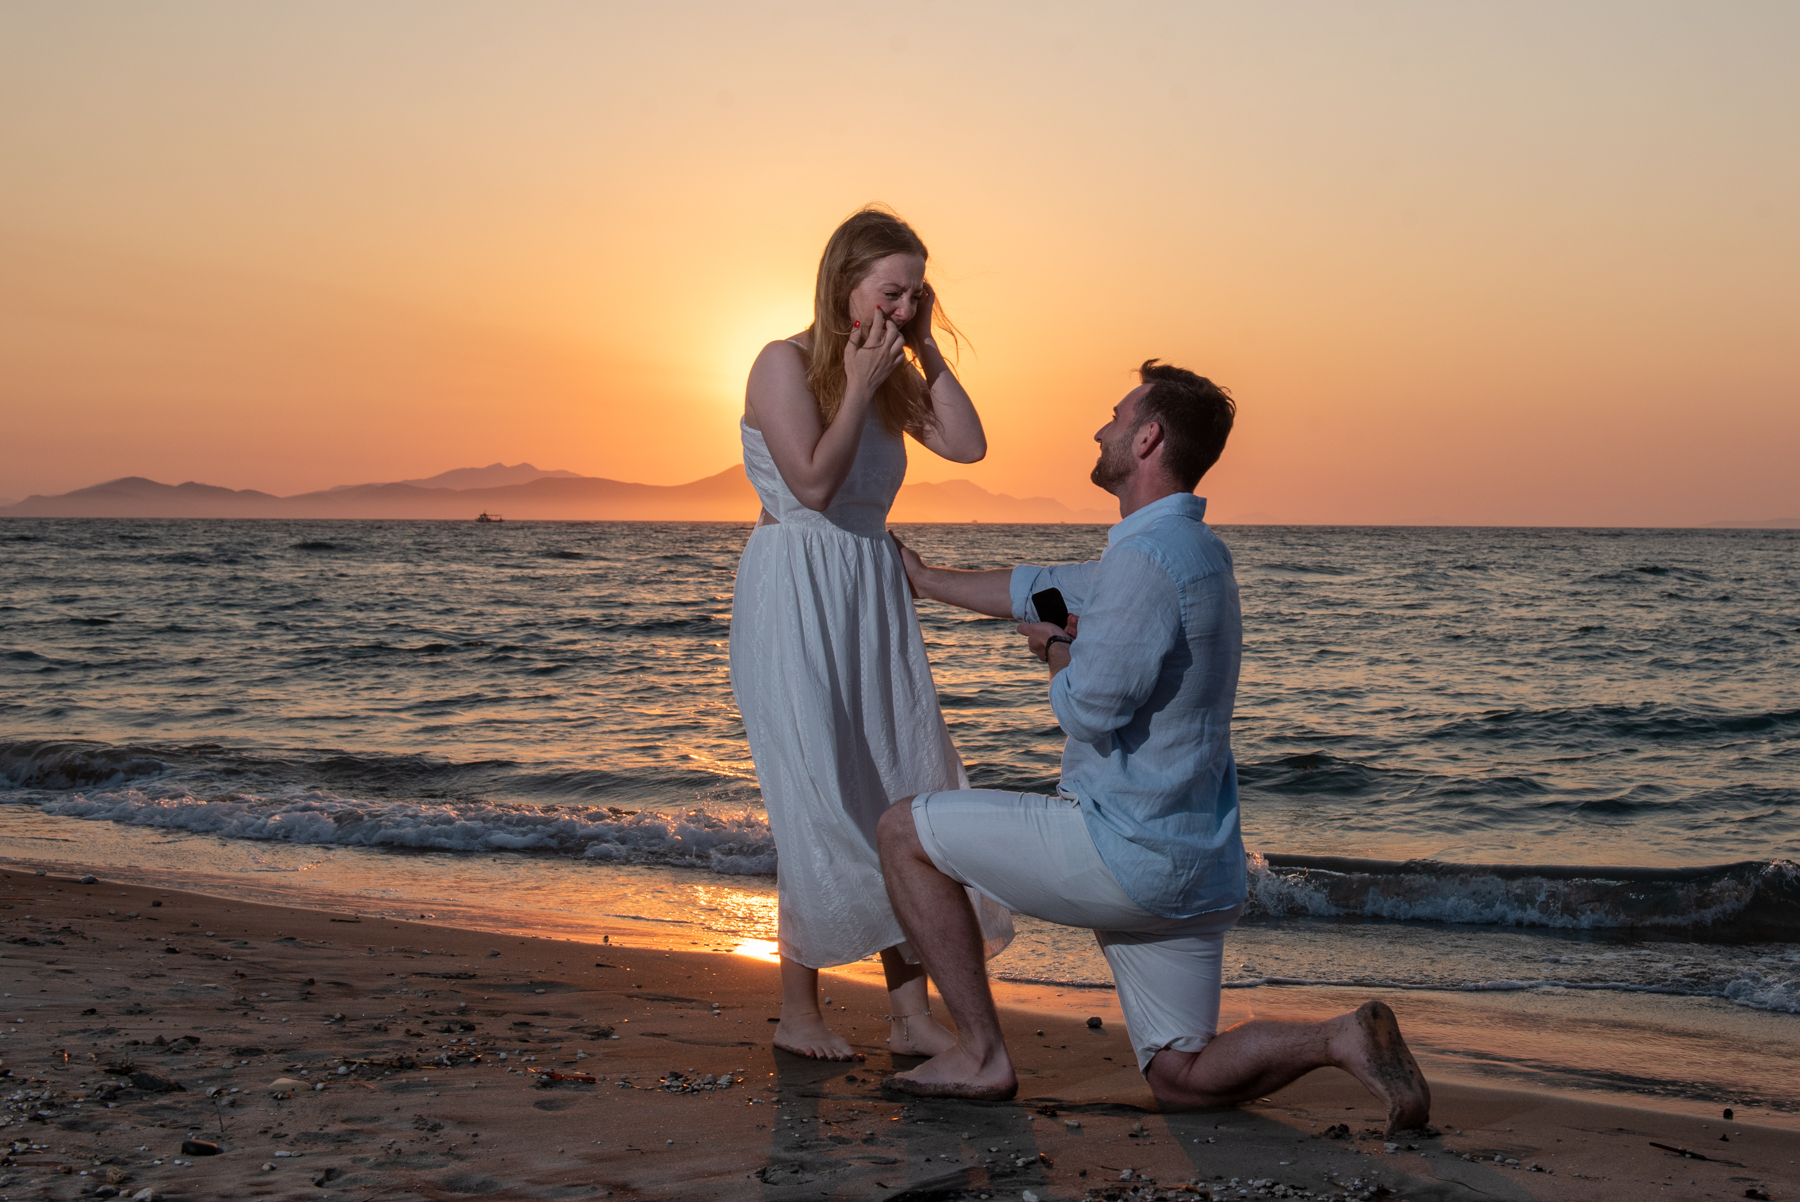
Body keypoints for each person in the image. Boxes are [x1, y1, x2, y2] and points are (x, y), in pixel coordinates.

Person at [878, 361, 1432, 1131]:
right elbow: (1043, 584)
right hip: (1196, 869)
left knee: (903, 830)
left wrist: (1053, 653)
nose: (1099, 429)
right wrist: (927, 579)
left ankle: (979, 1053)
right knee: (1182, 1078)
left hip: (1123, 853)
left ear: (1148, 436)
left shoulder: (1143, 561)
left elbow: (1090, 711)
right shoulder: (1191, 550)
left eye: (1114, 415)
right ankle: (1339, 1039)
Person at [729, 207, 1014, 1062]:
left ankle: (909, 1013)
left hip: (871, 592)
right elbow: (813, 485)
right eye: (892, 292)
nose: (902, 308)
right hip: (796, 589)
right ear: (843, 283)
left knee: (901, 789)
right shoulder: (780, 364)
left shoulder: (895, 371)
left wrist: (923, 349)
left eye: (916, 295)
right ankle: (798, 1011)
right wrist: (854, 386)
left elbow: (969, 446)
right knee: (816, 796)